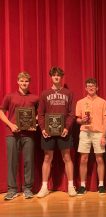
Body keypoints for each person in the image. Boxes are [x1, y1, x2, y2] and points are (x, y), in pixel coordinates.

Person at [36, 67, 76, 198]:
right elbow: (40, 113)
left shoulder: (68, 93)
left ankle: (70, 186)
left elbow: (71, 113)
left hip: (64, 131)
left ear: (62, 77)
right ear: (51, 77)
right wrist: (42, 129)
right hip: (48, 131)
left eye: (59, 75)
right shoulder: (44, 94)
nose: (56, 77)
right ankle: (44, 187)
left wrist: (67, 127)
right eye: (54, 75)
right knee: (47, 158)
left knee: (67, 157)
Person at [0, 72, 39, 200]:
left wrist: (35, 122)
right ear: (17, 82)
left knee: (28, 161)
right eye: (22, 81)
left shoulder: (35, 98)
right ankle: (12, 190)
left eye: (26, 81)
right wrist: (11, 125)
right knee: (12, 162)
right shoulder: (10, 96)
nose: (24, 83)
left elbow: (40, 115)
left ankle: (28, 189)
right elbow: (1, 112)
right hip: (12, 133)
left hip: (28, 134)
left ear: (29, 82)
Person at [76, 78, 106, 195]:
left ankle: (101, 185)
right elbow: (77, 119)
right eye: (89, 86)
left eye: (93, 86)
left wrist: (104, 135)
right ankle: (83, 185)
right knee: (83, 159)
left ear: (97, 87)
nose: (91, 87)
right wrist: (82, 120)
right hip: (85, 132)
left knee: (99, 158)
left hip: (98, 133)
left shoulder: (103, 102)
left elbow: (105, 120)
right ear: (85, 88)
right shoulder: (80, 102)